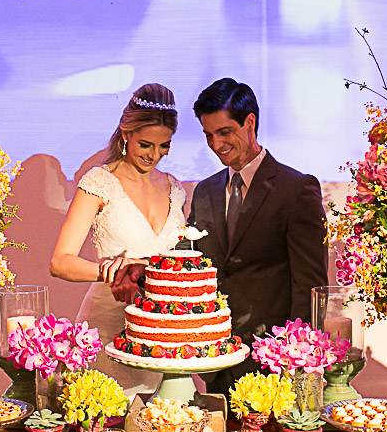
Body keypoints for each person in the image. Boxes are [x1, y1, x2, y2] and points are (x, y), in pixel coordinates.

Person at [112, 78, 328, 395]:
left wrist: (297, 363)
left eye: (224, 132)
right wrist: (147, 269)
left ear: (250, 122)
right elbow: (190, 256)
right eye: (209, 135)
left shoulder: (296, 189)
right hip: (213, 360)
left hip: (273, 364)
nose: (216, 145)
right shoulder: (206, 190)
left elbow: (310, 286)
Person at [49, 84, 186, 395]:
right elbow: (60, 262)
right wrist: (112, 271)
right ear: (126, 134)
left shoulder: (176, 189)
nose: (154, 155)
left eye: (164, 146)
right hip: (108, 327)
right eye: (146, 144)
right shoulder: (99, 182)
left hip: (161, 333)